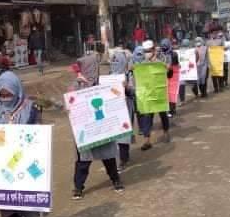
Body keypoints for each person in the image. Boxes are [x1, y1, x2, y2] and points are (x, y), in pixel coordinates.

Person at [0, 71, 41, 217]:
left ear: (17, 91)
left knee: (29, 207)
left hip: (27, 164)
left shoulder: (31, 109)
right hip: (5, 165)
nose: (5, 98)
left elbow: (38, 136)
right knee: (7, 208)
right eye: (2, 95)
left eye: (9, 94)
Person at [71, 53, 123, 199]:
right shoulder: (77, 84)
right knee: (83, 161)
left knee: (108, 157)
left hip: (102, 128)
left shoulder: (103, 84)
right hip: (86, 131)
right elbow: (70, 103)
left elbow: (114, 98)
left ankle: (116, 180)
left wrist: (120, 91)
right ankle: (78, 187)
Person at [137, 40, 171, 150]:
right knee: (147, 116)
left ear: (153, 50)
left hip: (159, 93)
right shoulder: (142, 64)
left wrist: (168, 69)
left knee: (162, 113)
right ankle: (147, 140)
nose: (147, 53)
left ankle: (166, 132)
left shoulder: (161, 61)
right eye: (145, 51)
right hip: (148, 94)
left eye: (148, 51)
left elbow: (169, 75)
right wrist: (133, 70)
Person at [109, 39, 134, 169]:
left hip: (124, 109)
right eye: (113, 61)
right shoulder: (107, 77)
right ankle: (117, 159)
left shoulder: (129, 75)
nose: (114, 63)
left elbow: (134, 92)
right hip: (112, 111)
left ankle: (123, 159)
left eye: (116, 61)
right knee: (114, 136)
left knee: (123, 136)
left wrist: (126, 88)